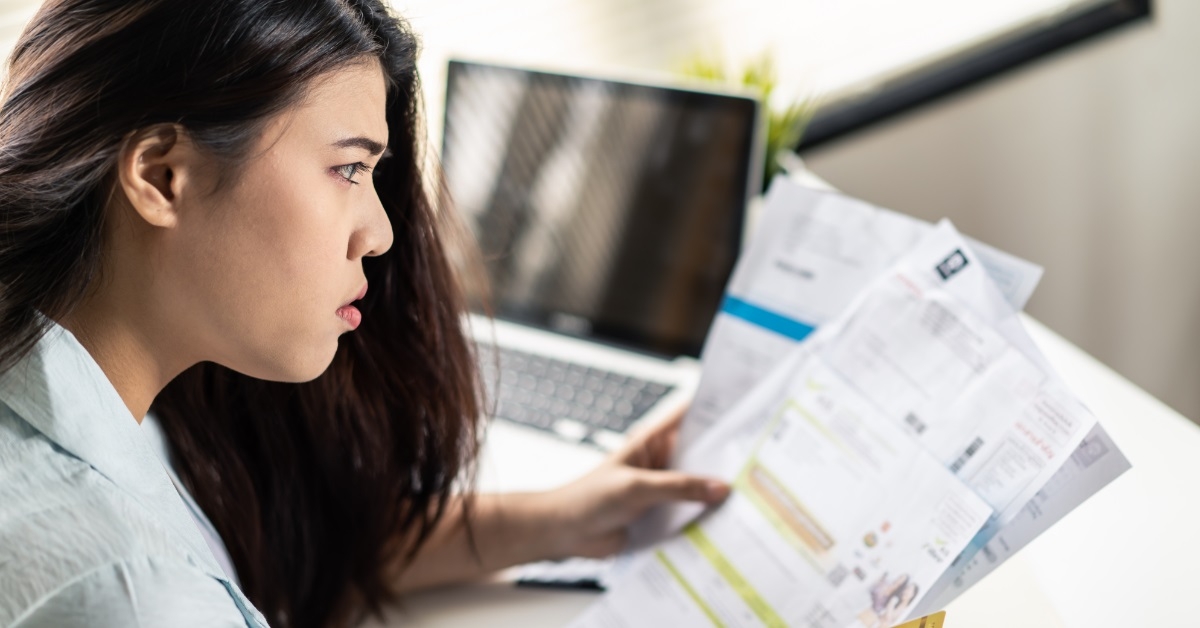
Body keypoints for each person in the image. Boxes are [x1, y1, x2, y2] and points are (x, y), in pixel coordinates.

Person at [0, 1, 730, 627]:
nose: (380, 233)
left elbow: (282, 553)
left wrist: (560, 519)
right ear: (163, 177)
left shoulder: (77, 389)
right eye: (348, 167)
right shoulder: (133, 593)